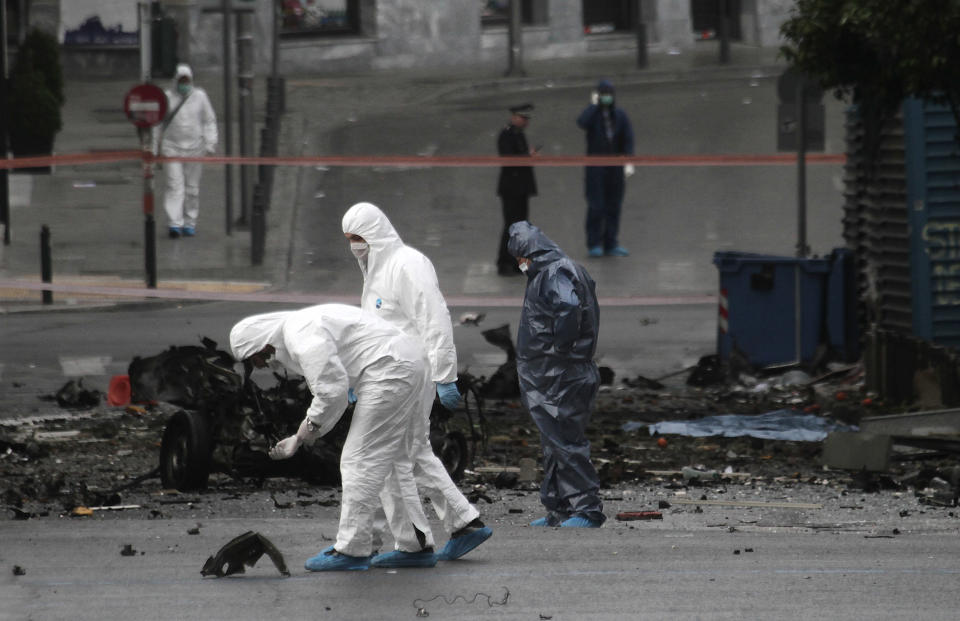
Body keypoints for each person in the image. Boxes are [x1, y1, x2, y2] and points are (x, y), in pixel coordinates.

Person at [229, 304, 437, 571]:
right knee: (390, 462)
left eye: (252, 358)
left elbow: (330, 391)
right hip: (400, 364)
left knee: (358, 460)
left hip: (390, 371)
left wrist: (301, 436)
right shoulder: (297, 327)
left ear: (260, 342)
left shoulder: (300, 335)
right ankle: (415, 546)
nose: (258, 365)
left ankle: (353, 550)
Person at [342, 201, 493, 563]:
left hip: (410, 376)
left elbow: (434, 319)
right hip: (394, 375)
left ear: (374, 234)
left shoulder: (406, 265)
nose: (354, 246)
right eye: (349, 239)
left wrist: (445, 375)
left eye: (358, 238)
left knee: (396, 453)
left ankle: (417, 541)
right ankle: (457, 524)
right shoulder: (377, 270)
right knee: (409, 451)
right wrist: (357, 376)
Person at [507, 220, 606, 528]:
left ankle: (586, 508)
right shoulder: (556, 270)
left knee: (564, 440)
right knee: (554, 442)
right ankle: (560, 508)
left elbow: (568, 308)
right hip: (555, 373)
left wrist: (559, 350)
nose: (520, 264)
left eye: (520, 258)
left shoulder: (553, 273)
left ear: (528, 253)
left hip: (559, 373)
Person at [155, 63, 218, 239]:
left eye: (186, 80)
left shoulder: (200, 96)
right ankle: (174, 223)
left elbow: (209, 120)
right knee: (174, 186)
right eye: (181, 80)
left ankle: (190, 222)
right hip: (171, 148)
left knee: (192, 188)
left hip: (195, 148)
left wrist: (211, 142)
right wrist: (154, 148)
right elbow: (157, 124)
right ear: (175, 80)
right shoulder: (167, 98)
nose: (184, 84)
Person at [576, 79, 634, 258]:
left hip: (615, 167)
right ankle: (594, 243)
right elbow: (581, 122)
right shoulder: (594, 115)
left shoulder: (620, 115)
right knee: (596, 205)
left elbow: (628, 138)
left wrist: (628, 158)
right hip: (596, 166)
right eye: (604, 94)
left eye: (609, 94)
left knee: (614, 204)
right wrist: (593, 106)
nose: (607, 98)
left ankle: (611, 242)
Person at [496, 103, 538, 276]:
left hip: (521, 188)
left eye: (527, 119)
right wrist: (528, 156)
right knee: (511, 227)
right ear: (514, 117)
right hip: (511, 188)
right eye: (523, 118)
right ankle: (503, 262)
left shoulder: (519, 135)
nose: (525, 122)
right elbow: (509, 158)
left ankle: (518, 263)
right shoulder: (506, 135)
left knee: (521, 227)